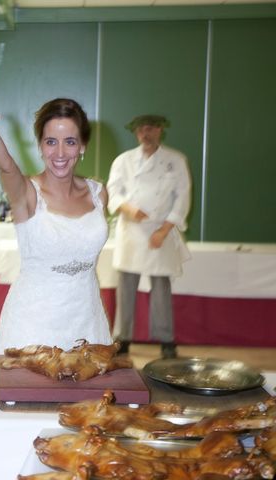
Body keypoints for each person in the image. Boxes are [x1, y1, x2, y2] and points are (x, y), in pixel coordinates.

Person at [0, 85, 113, 364]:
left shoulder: (99, 194)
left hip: (88, 322)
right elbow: (6, 166)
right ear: (40, 146)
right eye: (50, 142)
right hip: (32, 325)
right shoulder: (27, 194)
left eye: (70, 141)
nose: (60, 152)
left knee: (87, 405)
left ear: (82, 146)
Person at [106, 114, 191, 359]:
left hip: (160, 229)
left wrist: (164, 231)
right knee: (126, 285)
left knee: (161, 286)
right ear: (136, 133)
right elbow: (112, 192)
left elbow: (182, 198)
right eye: (142, 129)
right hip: (131, 229)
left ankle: (166, 339)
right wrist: (128, 208)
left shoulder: (176, 160)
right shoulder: (123, 161)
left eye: (152, 128)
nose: (147, 132)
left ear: (161, 130)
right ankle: (122, 337)